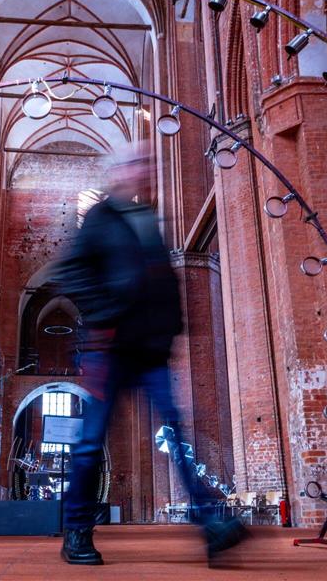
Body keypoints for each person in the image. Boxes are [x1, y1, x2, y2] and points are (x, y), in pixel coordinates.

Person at [56, 141, 247, 566]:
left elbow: (162, 279)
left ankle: (210, 522)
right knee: (89, 444)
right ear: (120, 172)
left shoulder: (146, 219)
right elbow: (71, 272)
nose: (148, 169)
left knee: (175, 434)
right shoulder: (101, 218)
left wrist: (172, 328)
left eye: (150, 163)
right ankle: (77, 532)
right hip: (109, 347)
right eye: (140, 163)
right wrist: (108, 310)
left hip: (150, 349)